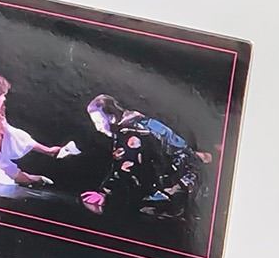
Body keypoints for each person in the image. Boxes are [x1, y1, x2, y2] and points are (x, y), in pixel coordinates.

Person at [80, 95, 212, 222]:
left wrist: (104, 193)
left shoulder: (128, 136)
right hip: (194, 179)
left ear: (112, 117)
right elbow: (178, 146)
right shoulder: (145, 122)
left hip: (177, 190)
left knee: (138, 213)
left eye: (99, 122)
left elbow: (125, 170)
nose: (98, 128)